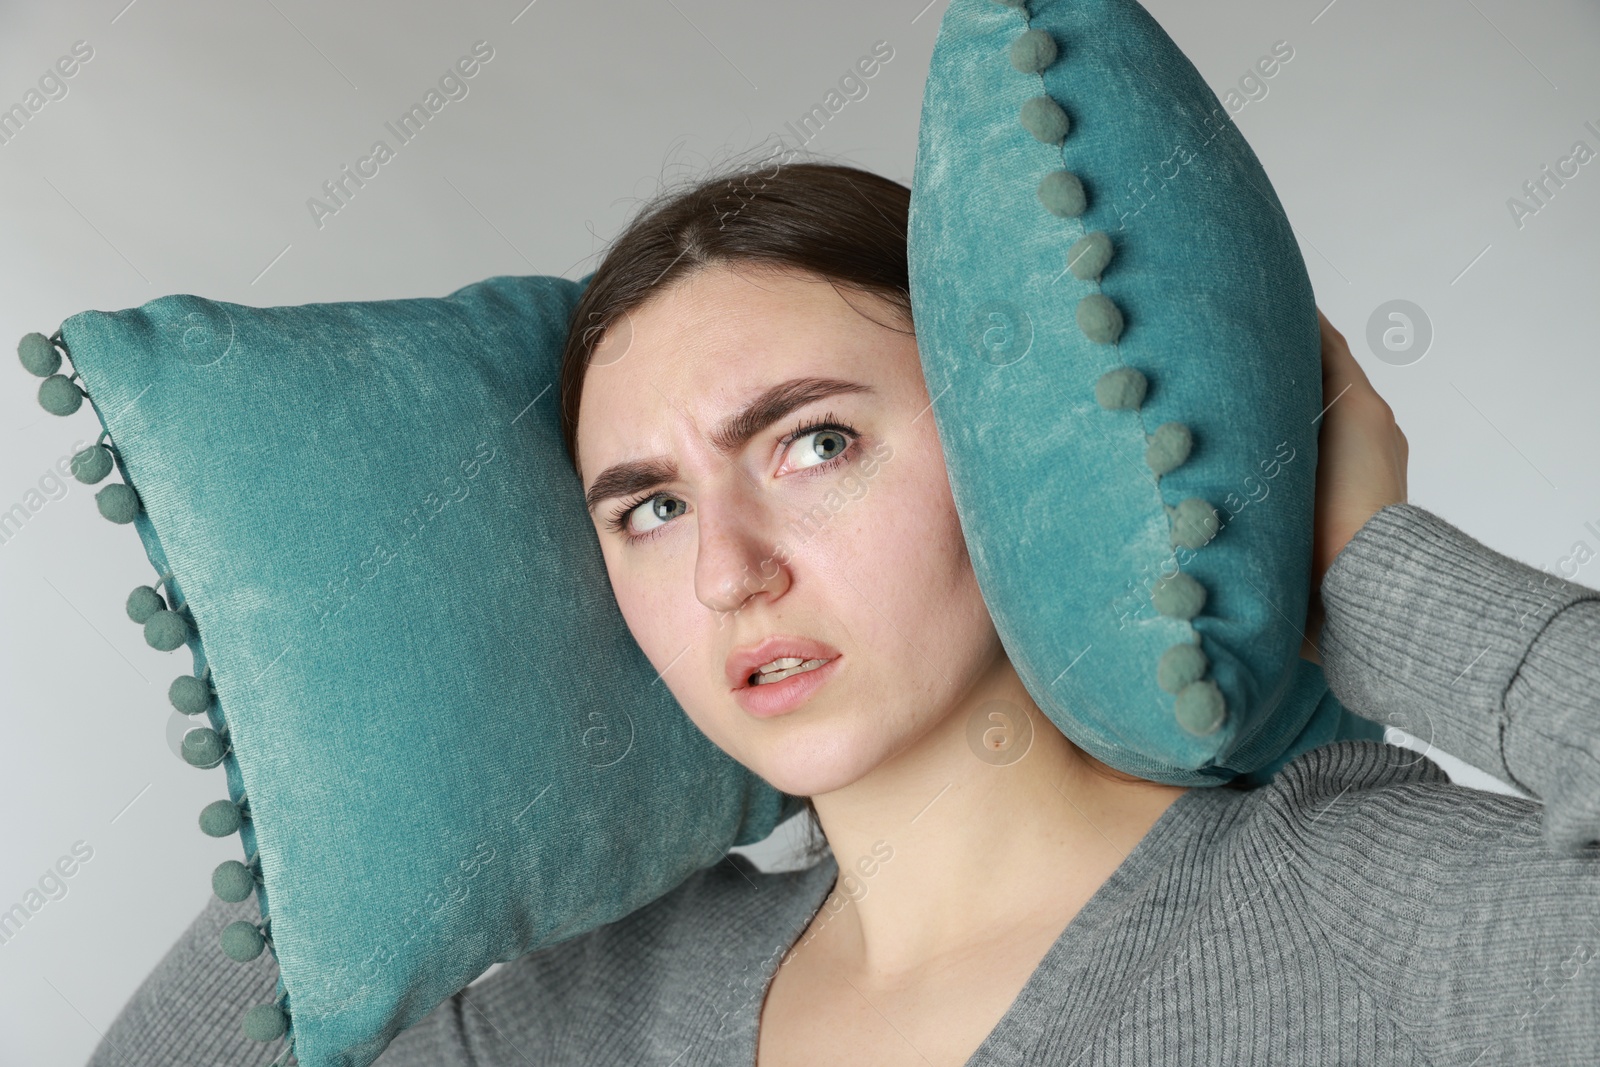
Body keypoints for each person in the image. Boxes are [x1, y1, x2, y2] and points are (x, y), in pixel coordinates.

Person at [86, 161, 1600, 1067]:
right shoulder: (611, 1005)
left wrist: (1376, 567)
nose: (729, 570)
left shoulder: (1357, 896)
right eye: (649, 506)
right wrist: (364, 786)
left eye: (814, 442)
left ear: (1015, 451)